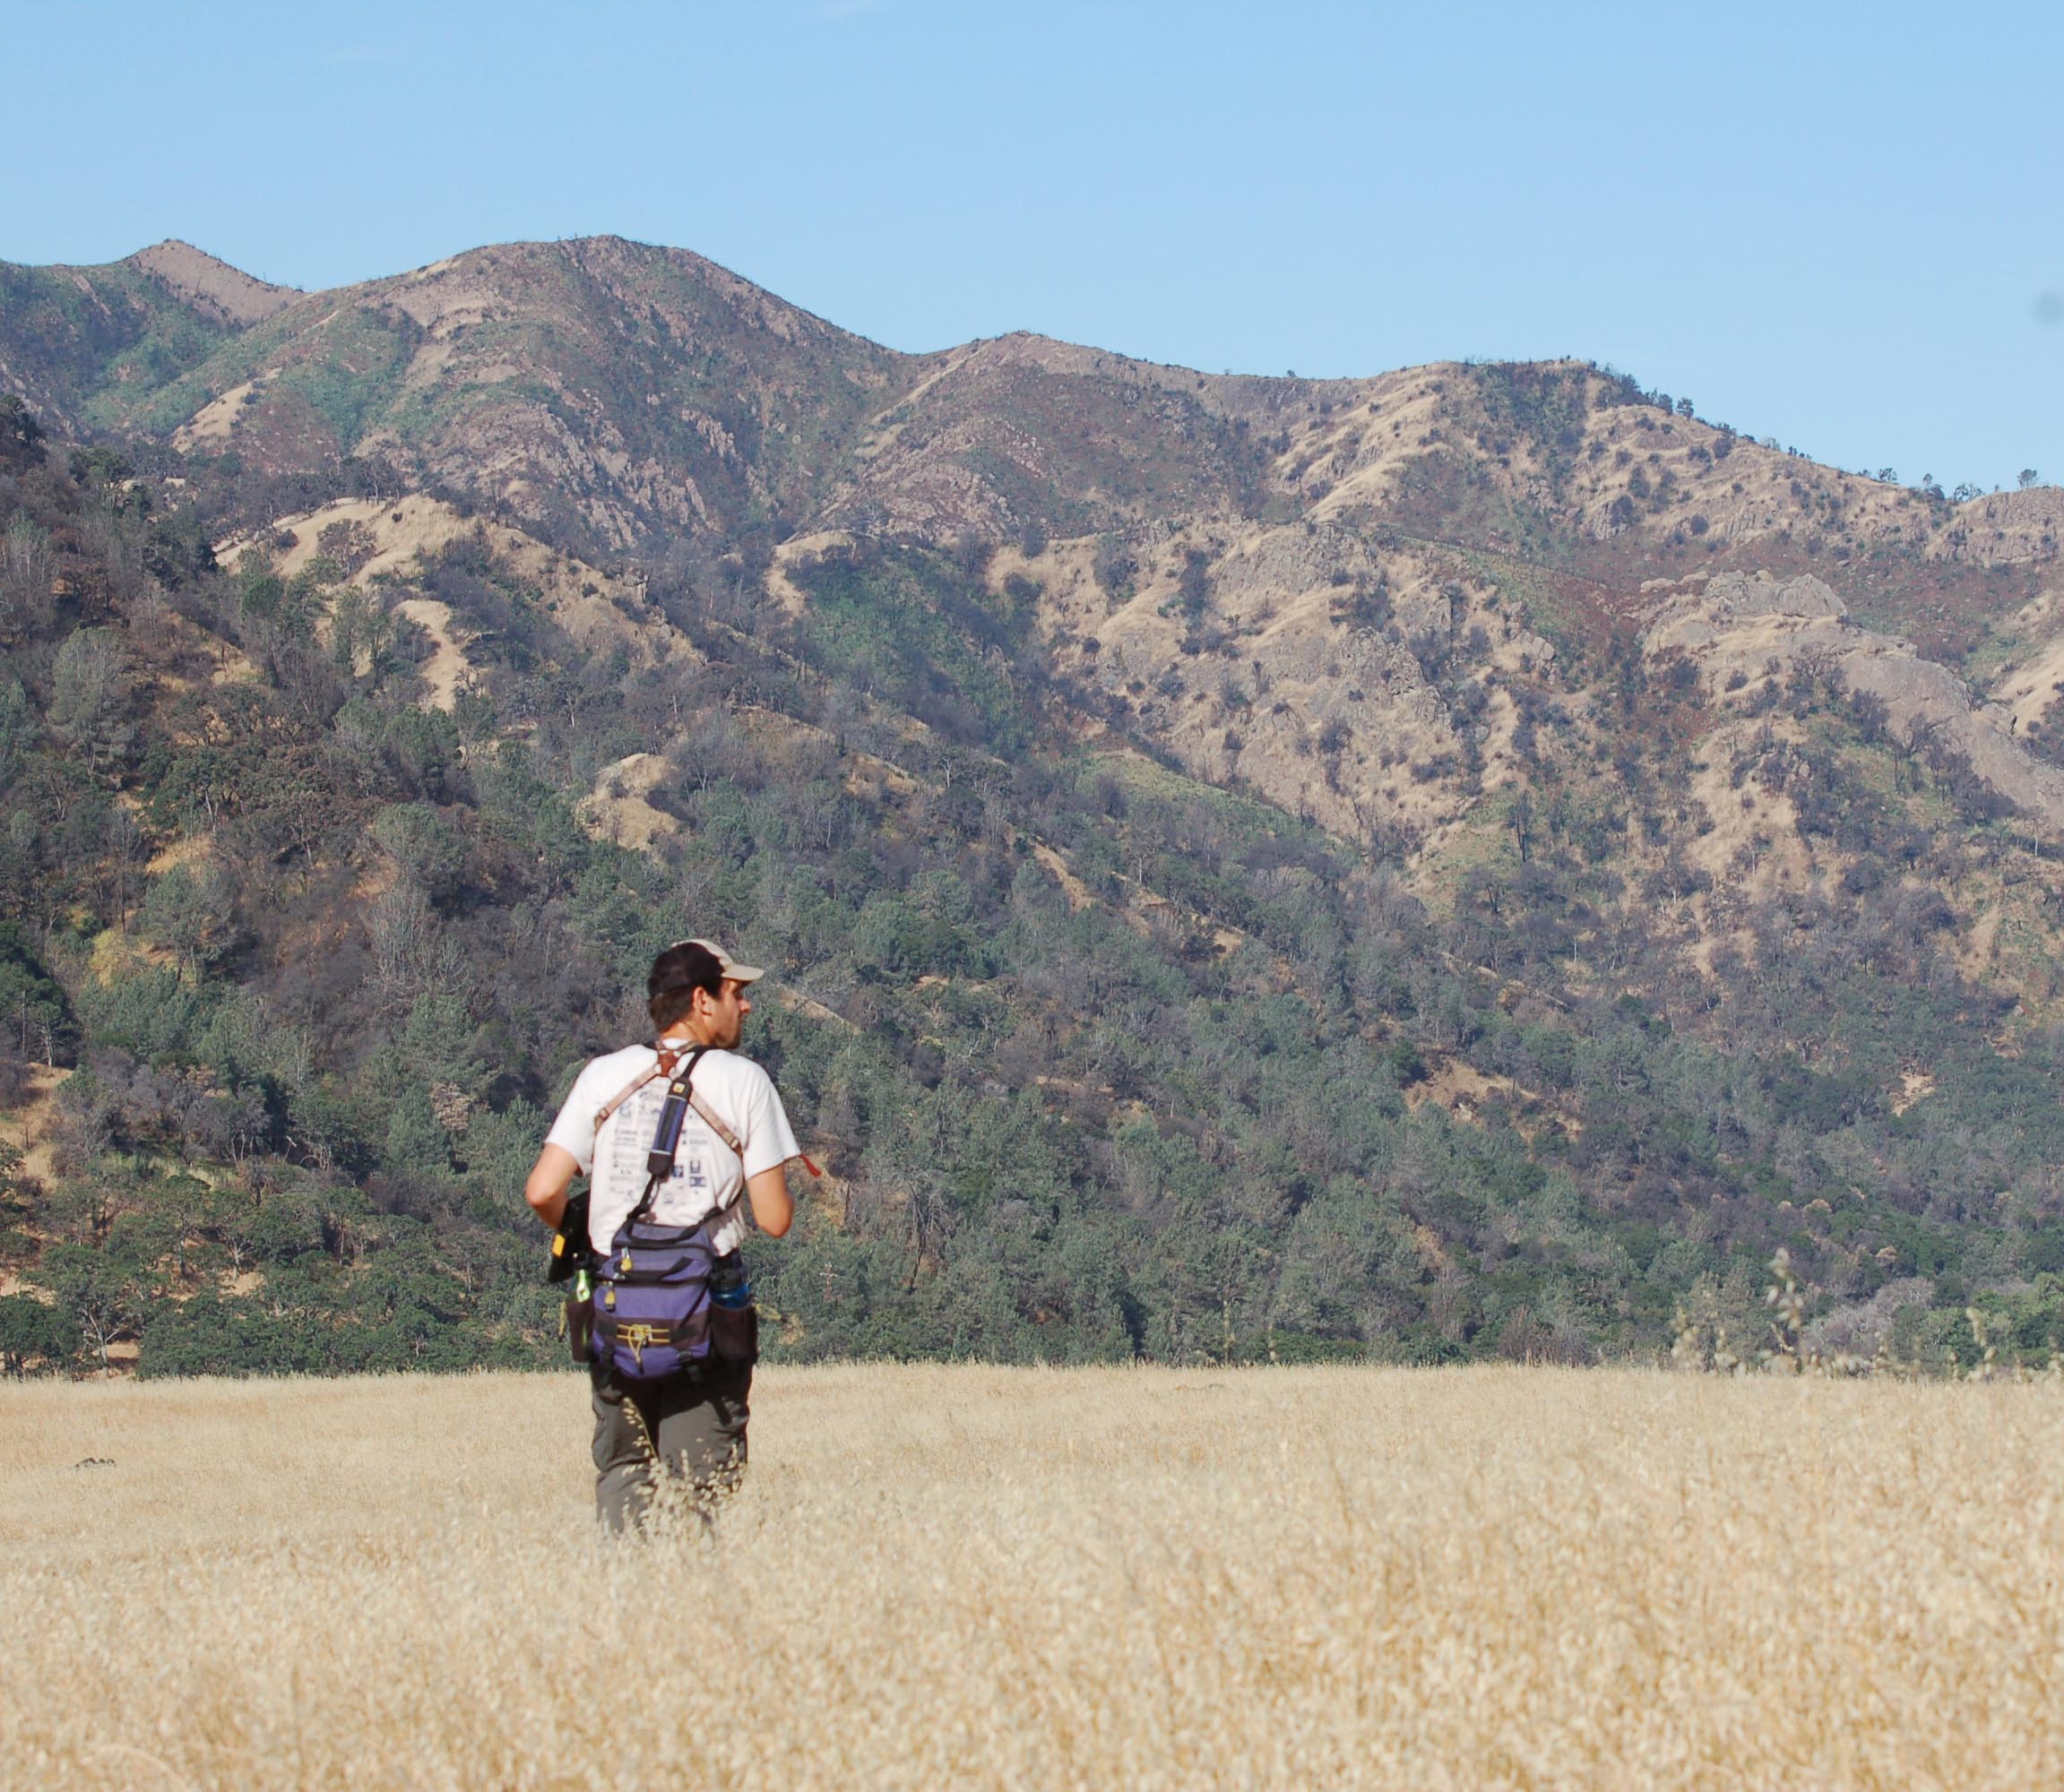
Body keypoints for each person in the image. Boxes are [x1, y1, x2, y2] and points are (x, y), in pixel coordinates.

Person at [525, 938, 803, 1530]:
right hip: (706, 1311)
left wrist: (587, 1238)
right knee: (697, 1488)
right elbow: (775, 1220)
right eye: (737, 993)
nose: (746, 1007)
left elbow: (541, 1191)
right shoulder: (744, 1081)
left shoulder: (602, 1076)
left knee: (624, 1470)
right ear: (702, 1000)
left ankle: (627, 1605)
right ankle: (685, 1610)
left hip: (616, 1307)